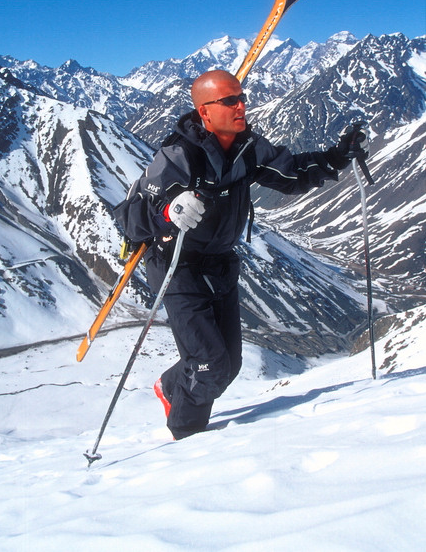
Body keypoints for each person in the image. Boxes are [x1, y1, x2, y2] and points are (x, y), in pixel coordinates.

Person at [113, 69, 368, 440]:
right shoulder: (179, 156)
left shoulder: (247, 148)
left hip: (220, 265)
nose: (241, 106)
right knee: (209, 367)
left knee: (228, 367)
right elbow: (129, 218)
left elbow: (293, 174)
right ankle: (184, 441)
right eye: (230, 100)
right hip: (178, 266)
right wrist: (168, 213)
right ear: (204, 112)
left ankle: (171, 386)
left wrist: (338, 156)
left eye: (241, 97)